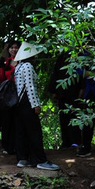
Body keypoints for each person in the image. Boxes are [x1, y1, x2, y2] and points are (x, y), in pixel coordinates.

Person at [13, 42, 59, 170]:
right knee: (34, 131)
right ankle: (40, 160)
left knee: (22, 131)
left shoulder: (18, 67)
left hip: (19, 103)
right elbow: (30, 87)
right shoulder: (27, 66)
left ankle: (23, 158)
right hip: (27, 102)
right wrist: (35, 105)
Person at [0, 40, 19, 155]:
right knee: (6, 121)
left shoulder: (24, 62)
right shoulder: (5, 62)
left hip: (19, 93)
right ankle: (7, 146)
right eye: (11, 48)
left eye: (16, 47)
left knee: (18, 121)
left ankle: (19, 145)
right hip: (8, 95)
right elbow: (0, 78)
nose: (13, 49)